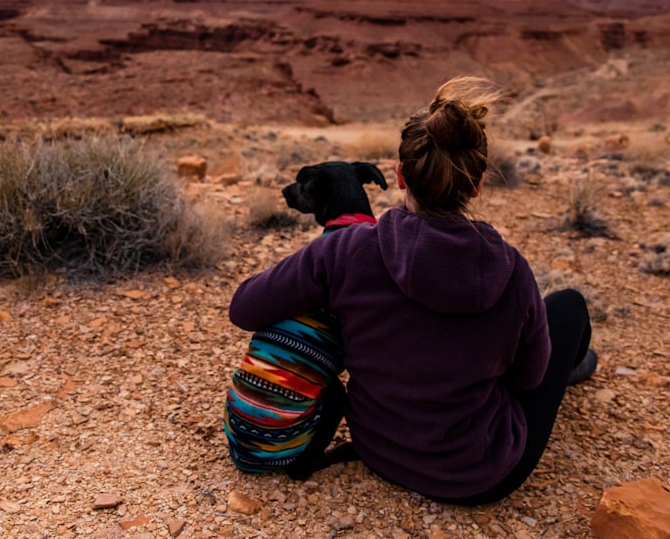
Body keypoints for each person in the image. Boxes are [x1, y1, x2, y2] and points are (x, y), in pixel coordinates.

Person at [227, 76, 597, 504]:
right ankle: (577, 364)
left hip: (377, 451)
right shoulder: (512, 272)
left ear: (400, 176)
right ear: (477, 185)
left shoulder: (346, 250)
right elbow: (529, 379)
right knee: (568, 307)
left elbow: (244, 308)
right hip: (479, 475)